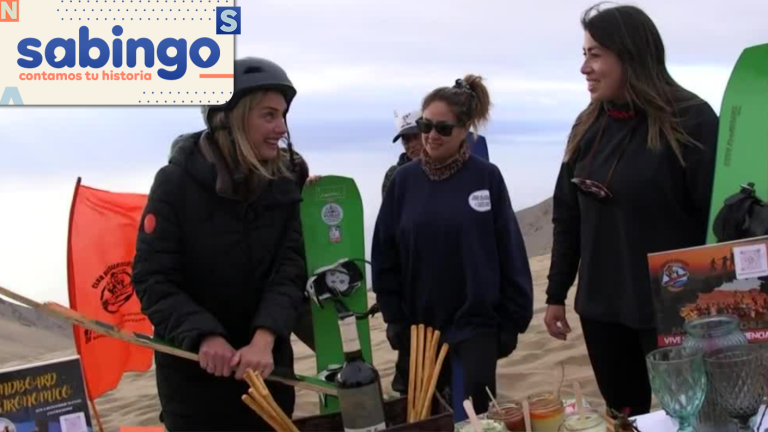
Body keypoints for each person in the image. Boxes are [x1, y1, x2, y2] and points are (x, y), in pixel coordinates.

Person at [543, 3, 719, 418]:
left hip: (675, 306)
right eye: (584, 54)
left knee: (693, 414)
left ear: (631, 54)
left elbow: (718, 222)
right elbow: (567, 217)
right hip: (603, 306)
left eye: (596, 54)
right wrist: (556, 294)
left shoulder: (690, 120)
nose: (585, 67)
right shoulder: (587, 126)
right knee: (625, 414)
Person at [132, 57, 308, 431]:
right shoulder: (175, 184)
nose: (281, 127)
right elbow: (152, 277)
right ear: (231, 117)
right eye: (268, 115)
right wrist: (204, 334)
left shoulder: (282, 182)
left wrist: (264, 340)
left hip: (267, 377)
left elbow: (290, 269)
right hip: (195, 387)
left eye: (283, 116)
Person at [372, 75, 534, 419]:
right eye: (425, 125)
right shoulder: (403, 182)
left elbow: (510, 251)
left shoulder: (486, 177)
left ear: (464, 130)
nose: (430, 135)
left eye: (442, 128)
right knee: (424, 418)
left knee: (471, 419)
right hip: (420, 329)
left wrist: (512, 322)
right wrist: (394, 317)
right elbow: (385, 253)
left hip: (476, 325)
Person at [382, 109, 424, 198]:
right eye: (406, 140)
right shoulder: (393, 174)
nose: (412, 145)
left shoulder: (444, 169)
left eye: (416, 136)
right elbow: (389, 210)